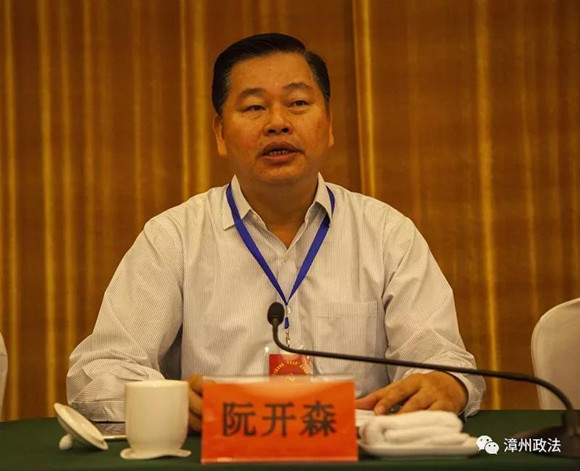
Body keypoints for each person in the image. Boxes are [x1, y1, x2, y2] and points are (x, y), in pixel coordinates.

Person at [67, 33, 485, 431]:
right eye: (254, 108)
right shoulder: (173, 238)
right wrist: (170, 403)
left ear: (329, 125)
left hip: (355, 457)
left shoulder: (387, 235)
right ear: (220, 134)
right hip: (218, 459)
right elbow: (98, 374)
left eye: (298, 103)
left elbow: (442, 361)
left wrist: (448, 385)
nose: (278, 123)